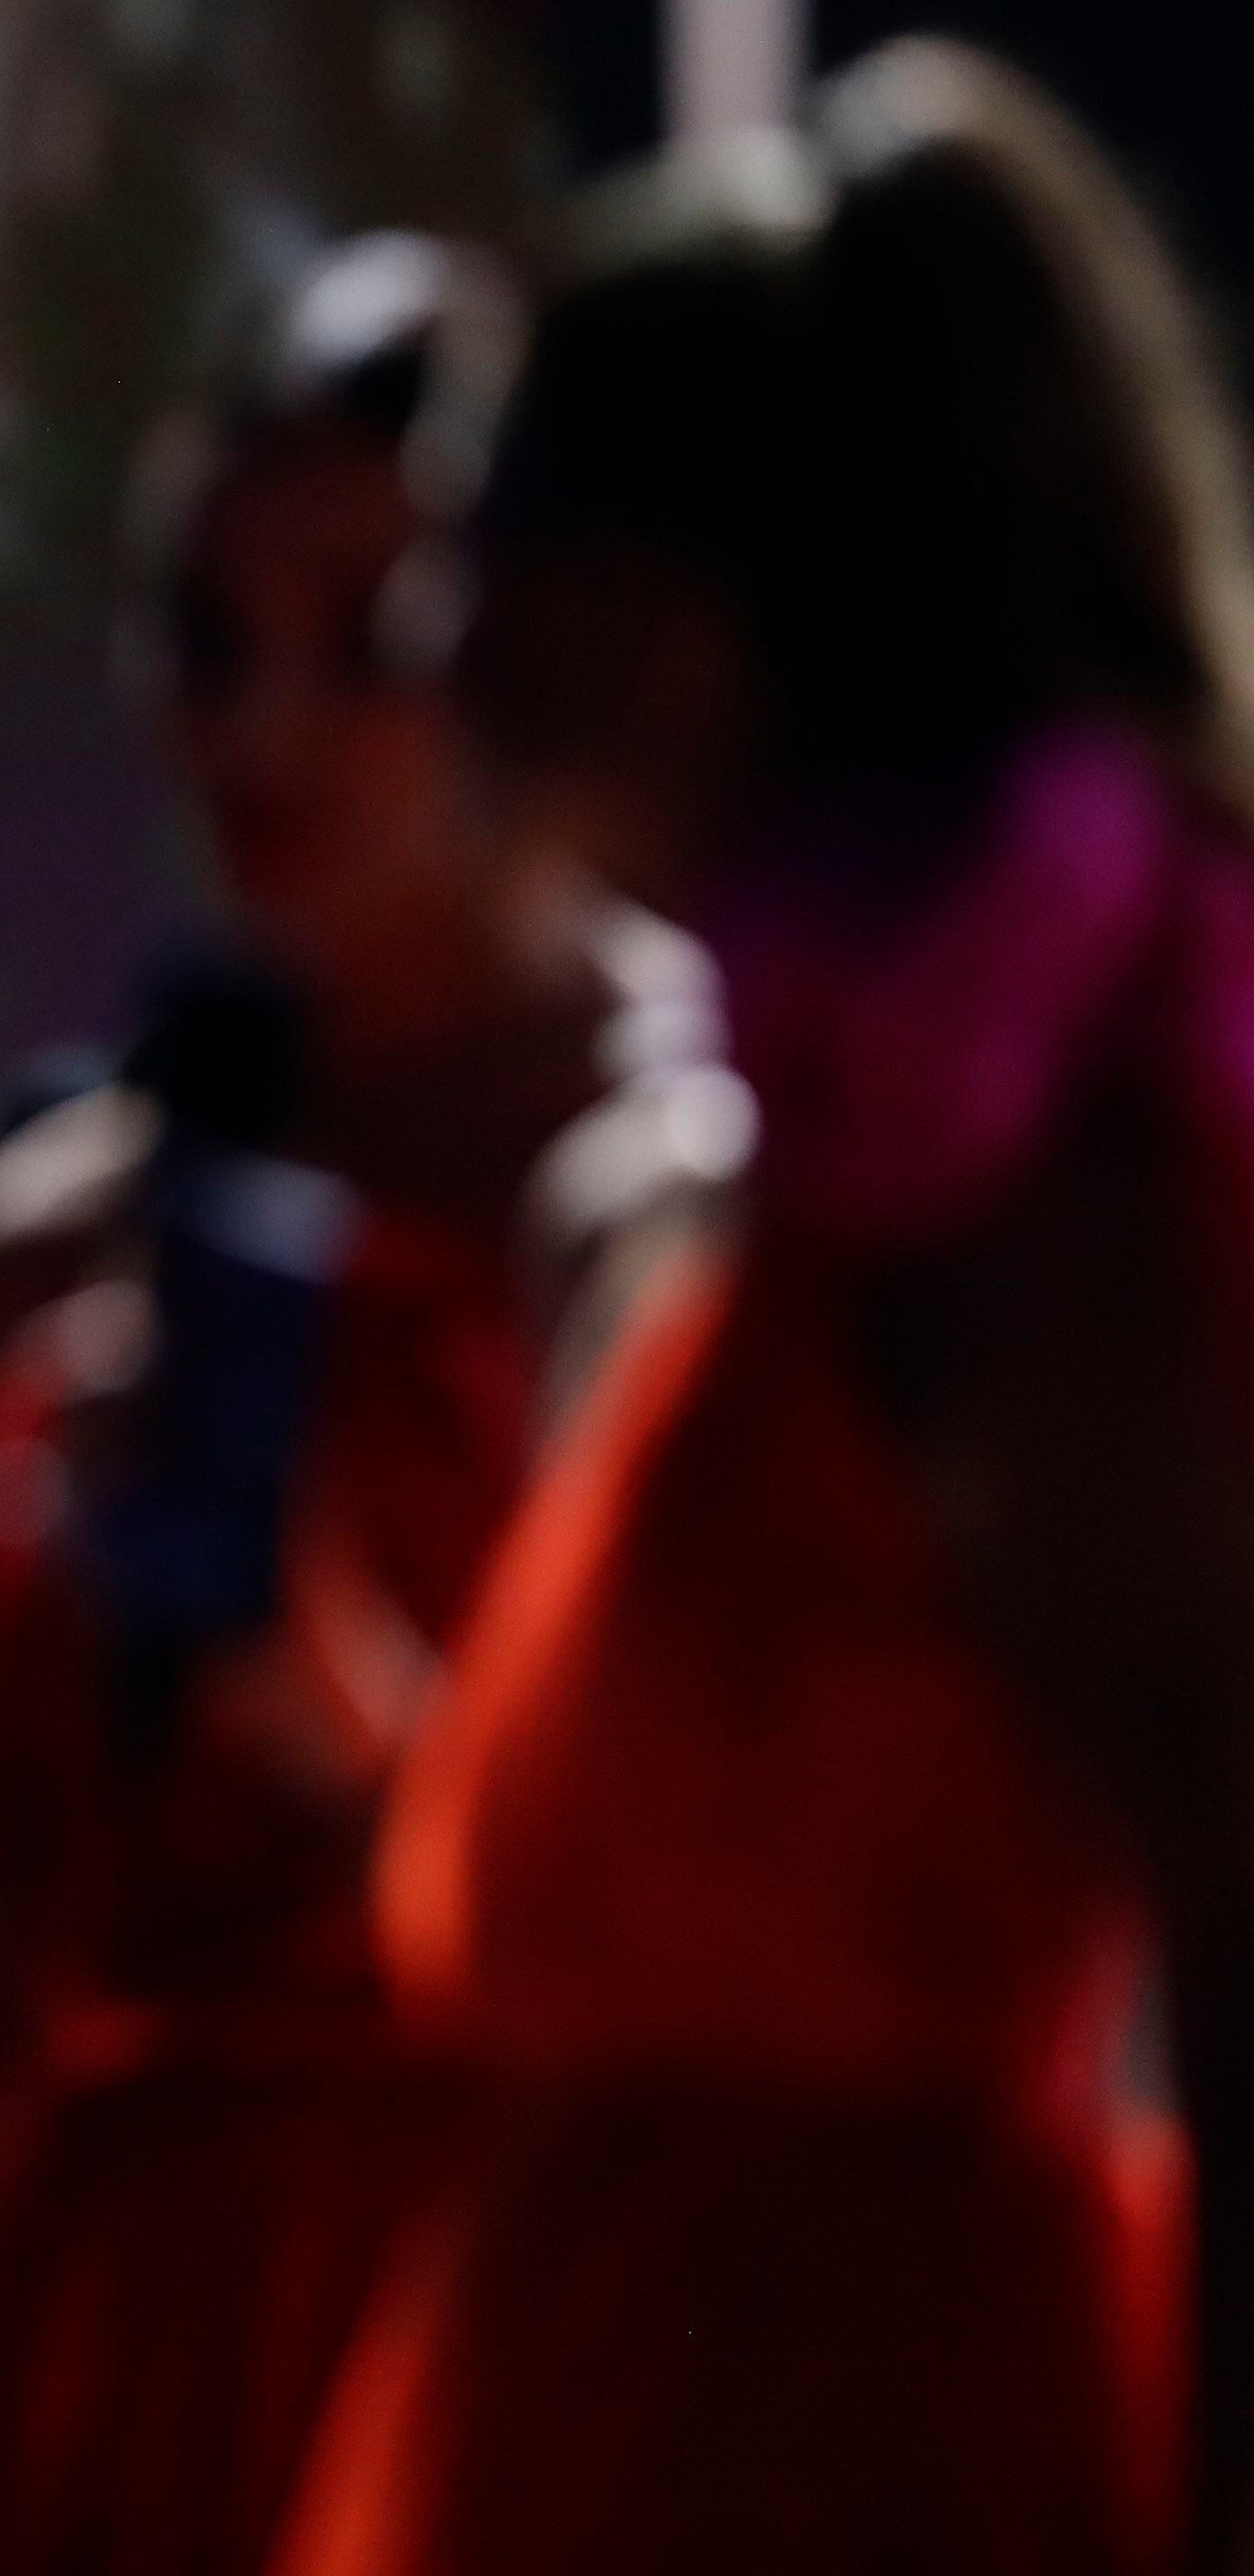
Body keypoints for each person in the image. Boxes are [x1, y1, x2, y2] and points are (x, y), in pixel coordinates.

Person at [275, 47, 1250, 2571]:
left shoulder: (1025, 1210)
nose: (416, 634)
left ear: (650, 630)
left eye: (466, 547)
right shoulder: (801, 1186)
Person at [0, 235, 741, 2576]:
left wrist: (350, 1713)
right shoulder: (65, 1216)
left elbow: (737, 1929)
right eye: (210, 640)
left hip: (479, 2311)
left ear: (534, 628)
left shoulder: (701, 1158)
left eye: (371, 632)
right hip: (77, 2303)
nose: (268, 728)